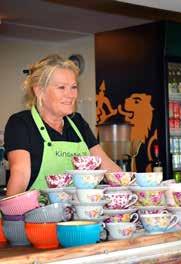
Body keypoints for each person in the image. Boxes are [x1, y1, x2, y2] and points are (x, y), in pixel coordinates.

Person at [4, 55, 122, 196]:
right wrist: (11, 215)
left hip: (79, 213)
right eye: (61, 87)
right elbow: (20, 175)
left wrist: (135, 187)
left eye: (73, 87)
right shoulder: (21, 123)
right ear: (39, 90)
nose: (70, 95)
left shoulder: (77, 123)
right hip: (39, 214)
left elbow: (107, 166)